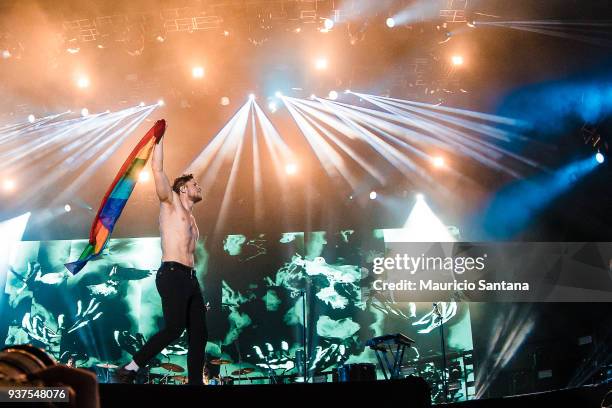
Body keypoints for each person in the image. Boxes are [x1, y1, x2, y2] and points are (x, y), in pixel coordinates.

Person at [114, 132, 208, 385]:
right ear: (183, 188)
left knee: (199, 334)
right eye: (195, 184)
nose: (199, 187)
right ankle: (130, 368)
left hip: (190, 279)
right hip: (172, 274)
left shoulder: (193, 220)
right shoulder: (170, 203)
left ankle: (196, 383)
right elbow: (157, 169)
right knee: (174, 328)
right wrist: (159, 138)